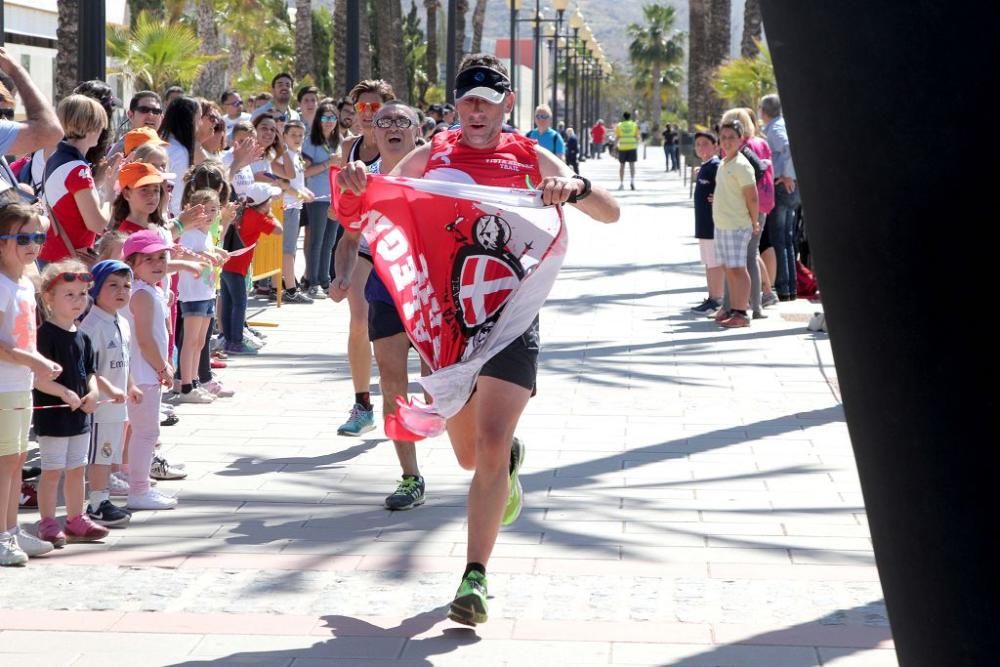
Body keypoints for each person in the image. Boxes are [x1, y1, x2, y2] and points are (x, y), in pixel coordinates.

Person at [334, 53, 619, 626]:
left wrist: (576, 185)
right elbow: (358, 212)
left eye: (489, 100)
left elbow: (609, 213)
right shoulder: (431, 153)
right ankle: (506, 463)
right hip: (448, 329)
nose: (477, 109)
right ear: (457, 102)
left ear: (507, 105)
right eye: (468, 99)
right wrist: (352, 186)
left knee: (486, 445)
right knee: (469, 455)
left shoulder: (527, 155)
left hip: (512, 320)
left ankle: (475, 577)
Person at [332, 100, 430, 510]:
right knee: (393, 385)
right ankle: (410, 477)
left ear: (416, 132)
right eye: (384, 122)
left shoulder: (437, 176)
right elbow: (350, 238)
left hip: (431, 294)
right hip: (386, 293)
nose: (391, 127)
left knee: (439, 389)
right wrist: (340, 274)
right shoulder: (362, 181)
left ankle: (490, 454)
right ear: (374, 134)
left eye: (401, 121)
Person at [33, 260, 113, 546]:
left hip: (80, 417)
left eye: (82, 294)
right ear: (49, 298)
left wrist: (92, 393)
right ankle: (47, 521)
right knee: (52, 470)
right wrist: (62, 392)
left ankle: (76, 518)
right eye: (70, 294)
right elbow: (38, 379)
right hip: (54, 418)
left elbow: (90, 372)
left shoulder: (83, 336)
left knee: (77, 469)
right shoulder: (44, 336)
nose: (78, 300)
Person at [334, 79, 397, 437]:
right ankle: (362, 405)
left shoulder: (405, 147)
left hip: (398, 247)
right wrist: (338, 269)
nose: (369, 115)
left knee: (404, 331)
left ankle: (405, 398)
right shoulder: (349, 148)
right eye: (363, 108)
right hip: (362, 246)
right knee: (359, 321)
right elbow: (343, 213)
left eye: (376, 108)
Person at [0, 204, 59, 565]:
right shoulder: (3, 284)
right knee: (5, 460)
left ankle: (11, 529)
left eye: (38, 236)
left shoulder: (24, 281)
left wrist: (32, 364)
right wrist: (33, 360)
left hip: (19, 382)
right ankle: (3, 535)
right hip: (4, 384)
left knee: (17, 458)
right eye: (24, 237)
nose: (34, 244)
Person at [79, 260, 143, 527]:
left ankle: (103, 499)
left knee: (109, 455)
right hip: (100, 408)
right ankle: (96, 504)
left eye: (126, 286)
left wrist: (130, 386)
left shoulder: (122, 322)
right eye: (113, 285)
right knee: (99, 456)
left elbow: (124, 360)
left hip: (118, 407)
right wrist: (109, 389)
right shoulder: (91, 326)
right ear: (95, 289)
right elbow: (88, 369)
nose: (121, 291)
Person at [120, 231, 179, 510]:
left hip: (140, 373)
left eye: (162, 257)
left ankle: (132, 479)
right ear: (132, 263)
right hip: (143, 374)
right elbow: (145, 339)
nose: (158, 263)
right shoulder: (142, 294)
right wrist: (163, 367)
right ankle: (139, 491)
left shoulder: (145, 290)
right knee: (147, 433)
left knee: (137, 430)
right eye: (149, 259)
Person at [38, 95, 119, 265]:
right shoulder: (78, 168)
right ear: (91, 126)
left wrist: (98, 179)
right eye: (100, 125)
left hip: (52, 257)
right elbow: (97, 224)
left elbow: (71, 202)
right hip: (67, 263)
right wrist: (110, 192)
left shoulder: (56, 157)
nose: (102, 130)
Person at [175, 189, 228, 402]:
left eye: (213, 210)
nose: (209, 215)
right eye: (204, 210)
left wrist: (218, 253)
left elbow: (204, 252)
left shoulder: (205, 235)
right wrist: (205, 256)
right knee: (190, 340)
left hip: (206, 292)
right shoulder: (189, 233)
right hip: (192, 294)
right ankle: (186, 385)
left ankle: (194, 380)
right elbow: (184, 252)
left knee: (200, 341)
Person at [219, 183, 282, 355]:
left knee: (227, 303)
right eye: (270, 201)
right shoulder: (258, 217)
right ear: (264, 203)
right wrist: (271, 214)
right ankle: (236, 343)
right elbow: (279, 229)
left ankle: (227, 338)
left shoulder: (243, 211)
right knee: (239, 304)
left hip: (225, 264)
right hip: (237, 268)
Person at [712, 119, 760, 328]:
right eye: (723, 137)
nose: (727, 141)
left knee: (738, 269)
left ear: (740, 139)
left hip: (737, 226)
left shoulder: (742, 165)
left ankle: (742, 313)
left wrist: (755, 221)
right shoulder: (724, 163)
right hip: (722, 225)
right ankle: (732, 308)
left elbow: (753, 197)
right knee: (728, 268)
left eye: (732, 137)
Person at [759, 94, 799, 301]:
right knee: (787, 238)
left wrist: (786, 175)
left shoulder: (774, 129)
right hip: (789, 186)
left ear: (763, 111)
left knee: (780, 238)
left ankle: (784, 287)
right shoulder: (779, 125)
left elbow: (789, 148)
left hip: (782, 186)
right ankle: (790, 288)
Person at [301, 100, 340, 298]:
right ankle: (313, 281)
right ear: (318, 120)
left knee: (330, 241)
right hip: (317, 197)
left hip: (336, 197)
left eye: (332, 118)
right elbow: (304, 172)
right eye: (325, 118)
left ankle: (325, 279)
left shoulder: (340, 141)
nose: (329, 122)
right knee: (316, 240)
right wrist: (327, 164)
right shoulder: (310, 142)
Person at [278, 120, 314, 303]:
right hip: (286, 207)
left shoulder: (296, 155)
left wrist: (305, 192)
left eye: (300, 135)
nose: (297, 138)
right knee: (288, 250)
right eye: (293, 135)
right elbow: (282, 184)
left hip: (295, 206)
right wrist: (299, 193)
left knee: (290, 250)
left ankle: (288, 284)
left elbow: (297, 183)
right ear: (284, 136)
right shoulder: (283, 156)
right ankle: (290, 289)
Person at [690, 131, 725, 317]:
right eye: (698, 144)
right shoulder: (706, 166)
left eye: (705, 144)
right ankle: (711, 297)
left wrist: (718, 196)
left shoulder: (716, 166)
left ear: (715, 146)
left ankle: (717, 299)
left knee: (714, 263)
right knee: (708, 262)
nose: (701, 147)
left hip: (713, 224)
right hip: (703, 224)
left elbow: (726, 186)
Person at [160, 96, 203, 217]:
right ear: (189, 120)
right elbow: (176, 199)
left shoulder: (160, 141)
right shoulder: (180, 152)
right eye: (199, 118)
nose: (200, 124)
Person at [108, 91, 163, 156]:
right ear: (131, 115)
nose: (151, 115)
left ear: (162, 117)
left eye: (156, 111)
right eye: (144, 110)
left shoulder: (169, 147)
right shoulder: (120, 151)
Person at [616, 111, 639, 190]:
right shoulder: (634, 125)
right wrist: (637, 144)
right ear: (630, 117)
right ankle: (632, 181)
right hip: (632, 146)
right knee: (632, 165)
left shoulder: (619, 125)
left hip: (622, 147)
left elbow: (617, 137)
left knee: (622, 166)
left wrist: (615, 147)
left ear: (623, 117)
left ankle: (621, 183)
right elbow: (637, 136)